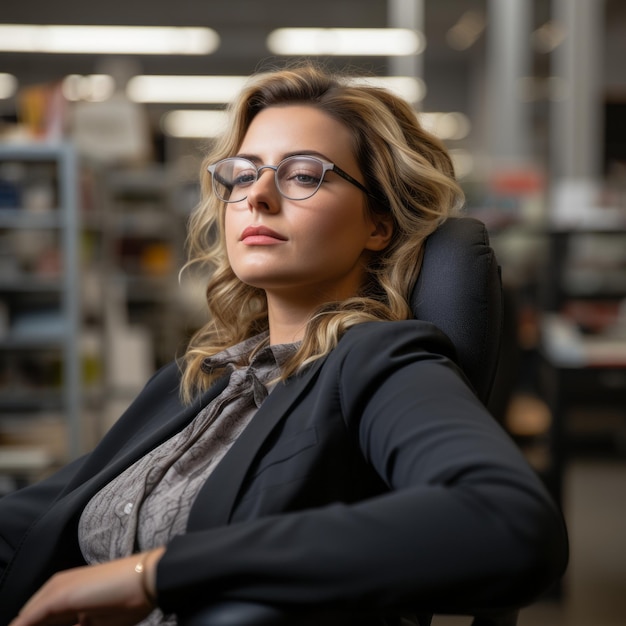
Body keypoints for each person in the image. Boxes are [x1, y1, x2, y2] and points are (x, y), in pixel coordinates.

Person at [0, 62, 567, 626]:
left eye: (303, 175)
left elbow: (507, 520)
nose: (258, 196)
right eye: (243, 174)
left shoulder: (377, 361)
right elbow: (42, 514)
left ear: (379, 224)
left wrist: (157, 573)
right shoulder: (201, 378)